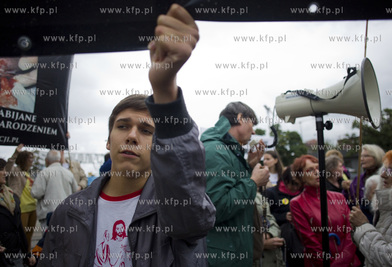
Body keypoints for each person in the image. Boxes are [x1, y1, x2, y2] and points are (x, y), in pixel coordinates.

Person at [38, 4, 215, 266]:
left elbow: (192, 217)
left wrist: (164, 89)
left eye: (146, 130)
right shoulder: (69, 211)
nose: (132, 136)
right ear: (109, 141)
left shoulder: (173, 209)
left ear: (159, 146)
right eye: (122, 126)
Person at [200, 101, 270, 267]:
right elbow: (217, 207)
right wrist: (253, 182)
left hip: (230, 252)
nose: (253, 131)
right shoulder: (216, 150)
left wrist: (250, 165)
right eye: (252, 124)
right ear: (240, 118)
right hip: (223, 258)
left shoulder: (226, 150)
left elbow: (231, 189)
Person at [290, 155, 360, 267]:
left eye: (318, 168)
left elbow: (350, 232)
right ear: (301, 176)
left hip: (350, 262)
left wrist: (343, 260)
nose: (317, 172)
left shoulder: (339, 197)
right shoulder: (297, 203)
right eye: (310, 170)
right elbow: (310, 242)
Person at [350, 145, 392, 267]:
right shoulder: (387, 206)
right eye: (385, 169)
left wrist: (363, 227)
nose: (382, 175)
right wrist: (357, 230)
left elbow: (391, 260)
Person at [263, 166, 303, 267]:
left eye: (299, 184)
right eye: (293, 184)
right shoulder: (271, 193)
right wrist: (284, 216)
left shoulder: (302, 193)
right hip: (281, 236)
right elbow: (265, 217)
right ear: (285, 180)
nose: (295, 188)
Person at [0, 158, 36, 267]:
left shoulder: (10, 195)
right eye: (2, 169)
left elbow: (19, 227)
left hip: (15, 252)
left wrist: (27, 253)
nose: (5, 173)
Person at [31, 150, 78, 229]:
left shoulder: (44, 173)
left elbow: (36, 193)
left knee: (48, 239)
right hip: (66, 213)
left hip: (48, 214)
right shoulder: (68, 173)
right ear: (59, 160)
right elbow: (76, 191)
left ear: (46, 160)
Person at [5, 144, 37, 251]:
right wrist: (16, 153)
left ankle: (27, 257)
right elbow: (7, 168)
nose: (32, 161)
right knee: (21, 236)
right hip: (22, 208)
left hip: (32, 207)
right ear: (23, 159)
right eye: (30, 159)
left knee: (29, 236)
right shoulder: (15, 170)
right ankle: (20, 257)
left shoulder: (28, 173)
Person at [343, 144, 385, 223]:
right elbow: (350, 203)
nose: (362, 159)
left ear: (377, 157)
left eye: (366, 156)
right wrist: (346, 190)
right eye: (361, 156)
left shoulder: (385, 177)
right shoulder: (358, 179)